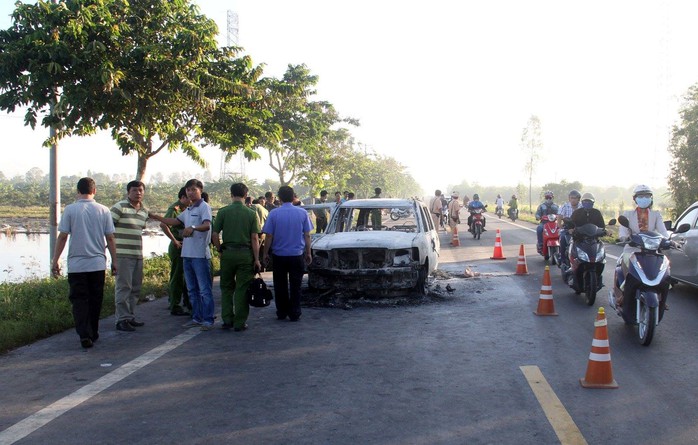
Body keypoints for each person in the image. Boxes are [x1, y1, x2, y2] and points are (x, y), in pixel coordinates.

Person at [51, 178, 117, 348]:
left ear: (77, 192)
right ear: (94, 191)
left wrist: (55, 260)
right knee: (95, 299)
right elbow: (110, 237)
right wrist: (114, 261)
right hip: (97, 264)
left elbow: (63, 236)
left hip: (76, 265)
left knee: (79, 300)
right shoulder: (103, 210)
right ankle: (93, 332)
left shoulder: (71, 210)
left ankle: (84, 334)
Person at [151, 179, 215, 330]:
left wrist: (193, 227)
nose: (190, 192)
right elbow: (173, 221)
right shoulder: (189, 209)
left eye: (193, 189)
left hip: (200, 255)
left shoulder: (204, 207)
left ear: (200, 190)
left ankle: (208, 319)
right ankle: (197, 317)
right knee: (192, 289)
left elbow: (207, 225)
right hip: (187, 254)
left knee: (204, 289)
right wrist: (155, 217)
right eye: (188, 190)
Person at [211, 183, 262, 332]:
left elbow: (214, 234)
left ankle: (227, 319)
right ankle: (239, 323)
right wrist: (257, 259)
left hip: (227, 254)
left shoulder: (223, 212)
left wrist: (220, 249)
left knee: (226, 287)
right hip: (245, 255)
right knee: (242, 288)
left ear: (231, 194)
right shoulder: (251, 213)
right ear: (246, 195)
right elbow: (254, 238)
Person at [262, 185, 313, 322]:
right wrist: (308, 252)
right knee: (296, 285)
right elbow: (307, 235)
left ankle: (282, 311)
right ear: (293, 197)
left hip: (279, 255)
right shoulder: (302, 213)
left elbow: (269, 236)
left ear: (279, 198)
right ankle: (295, 312)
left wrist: (265, 253)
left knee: (280, 285)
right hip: (297, 254)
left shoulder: (274, 213)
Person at [614, 184, 670, 307]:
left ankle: (661, 295)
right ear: (635, 199)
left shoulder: (656, 214)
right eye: (641, 196)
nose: (644, 198)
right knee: (626, 261)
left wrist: (670, 240)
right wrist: (624, 237)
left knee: (664, 265)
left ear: (651, 198)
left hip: (652, 249)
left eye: (647, 196)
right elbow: (623, 231)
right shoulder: (628, 214)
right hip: (632, 247)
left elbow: (663, 232)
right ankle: (624, 293)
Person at [111, 180, 150, 332]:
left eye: (141, 190)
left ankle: (129, 316)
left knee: (135, 288)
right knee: (123, 287)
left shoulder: (144, 211)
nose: (138, 193)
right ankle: (121, 319)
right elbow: (108, 230)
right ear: (128, 192)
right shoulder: (119, 207)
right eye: (135, 190)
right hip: (122, 255)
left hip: (137, 254)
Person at [160, 187, 191, 316]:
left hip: (186, 245)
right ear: (182, 197)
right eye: (188, 197)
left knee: (185, 277)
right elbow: (163, 224)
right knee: (177, 276)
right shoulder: (175, 209)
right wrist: (174, 241)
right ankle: (175, 304)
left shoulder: (188, 208)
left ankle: (187, 302)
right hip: (178, 246)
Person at [557, 190, 582, 266]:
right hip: (567, 228)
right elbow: (560, 216)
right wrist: (560, 225)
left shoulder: (582, 207)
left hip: (580, 229)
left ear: (578, 199)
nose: (573, 200)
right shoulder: (565, 206)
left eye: (575, 198)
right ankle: (563, 259)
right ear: (569, 199)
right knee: (563, 238)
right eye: (572, 198)